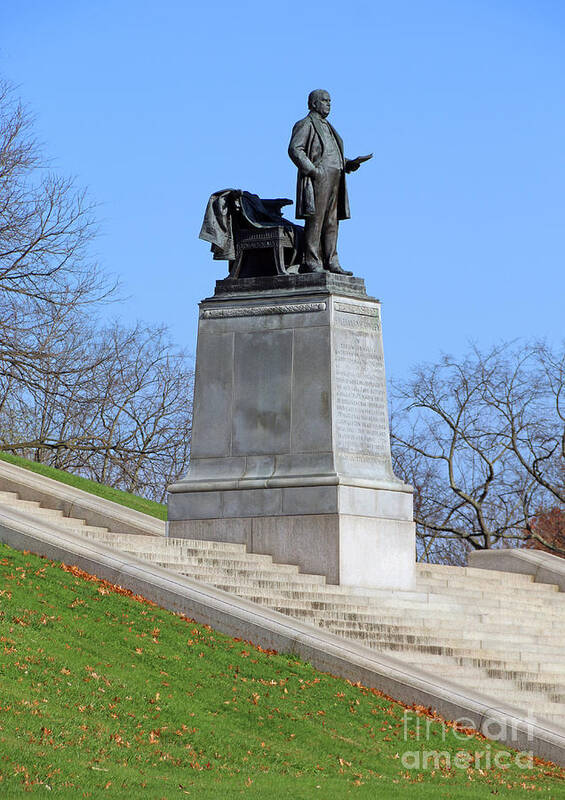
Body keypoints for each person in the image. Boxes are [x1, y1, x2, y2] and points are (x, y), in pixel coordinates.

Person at [288, 89, 371, 275]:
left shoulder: (329, 127)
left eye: (330, 101)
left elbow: (331, 153)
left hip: (337, 177)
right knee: (316, 219)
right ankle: (312, 261)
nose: (328, 104)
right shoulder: (305, 124)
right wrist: (313, 170)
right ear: (314, 103)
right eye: (325, 101)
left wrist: (347, 163)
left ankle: (332, 261)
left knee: (332, 221)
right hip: (319, 176)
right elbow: (295, 149)